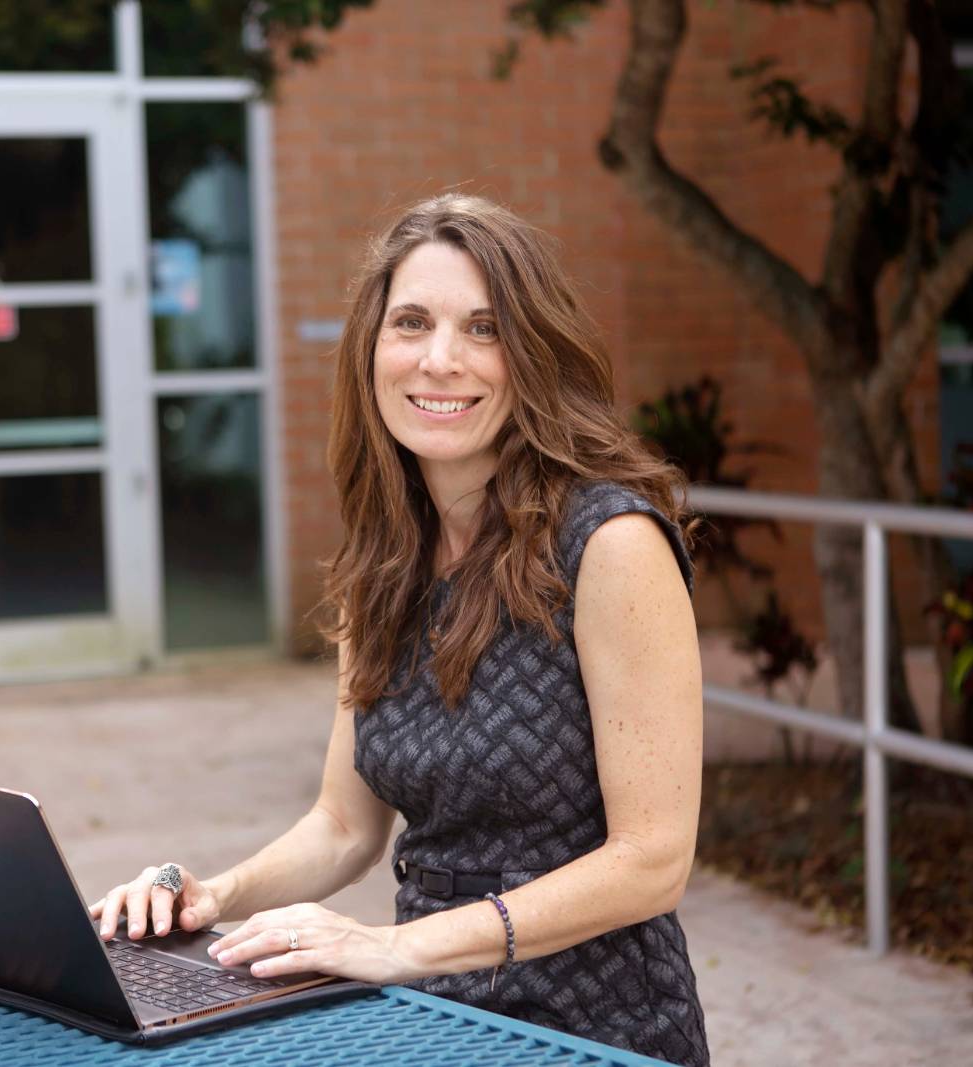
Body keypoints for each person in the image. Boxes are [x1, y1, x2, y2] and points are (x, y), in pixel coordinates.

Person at [90, 194, 710, 1066]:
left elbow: (653, 859)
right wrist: (212, 896)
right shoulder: (385, 560)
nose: (441, 359)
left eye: (484, 328)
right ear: (372, 350)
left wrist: (394, 947)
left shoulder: (610, 544)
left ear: (532, 356)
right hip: (427, 1022)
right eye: (411, 322)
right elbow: (346, 825)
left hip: (597, 1031)